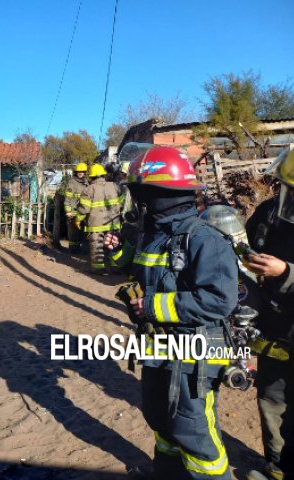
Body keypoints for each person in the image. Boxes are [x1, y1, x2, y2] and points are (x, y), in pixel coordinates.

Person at [105, 145, 239, 479]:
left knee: (193, 431)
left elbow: (220, 300)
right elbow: (139, 273)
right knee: (161, 420)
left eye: (140, 195)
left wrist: (151, 307)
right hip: (157, 348)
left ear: (156, 195)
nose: (136, 203)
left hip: (195, 354)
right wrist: (119, 253)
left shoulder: (206, 240)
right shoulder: (152, 236)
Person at [244, 140, 294, 480]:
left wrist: (287, 274)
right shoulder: (269, 213)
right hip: (275, 338)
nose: (291, 199)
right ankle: (277, 469)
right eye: (289, 190)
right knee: (272, 406)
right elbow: (248, 244)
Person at [76, 163, 124, 273]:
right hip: (113, 222)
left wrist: (78, 219)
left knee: (97, 246)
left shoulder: (88, 190)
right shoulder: (115, 186)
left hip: (95, 225)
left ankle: (99, 269)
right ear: (103, 175)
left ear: (91, 176)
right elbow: (122, 204)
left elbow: (84, 209)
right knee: (113, 244)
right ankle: (115, 267)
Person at [64, 162, 90, 253]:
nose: (80, 173)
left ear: (85, 172)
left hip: (83, 212)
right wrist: (68, 211)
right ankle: (73, 250)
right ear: (76, 172)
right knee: (73, 232)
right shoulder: (72, 183)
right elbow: (67, 198)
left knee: (82, 231)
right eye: (79, 171)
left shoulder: (86, 182)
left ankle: (79, 249)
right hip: (74, 212)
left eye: (82, 171)